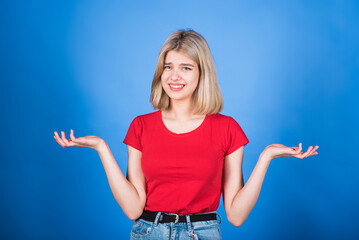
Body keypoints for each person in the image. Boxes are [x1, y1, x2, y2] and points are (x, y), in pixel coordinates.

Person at [54, 29, 319, 240]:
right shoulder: (141, 126)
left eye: (186, 67)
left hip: (203, 233)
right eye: (168, 67)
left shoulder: (228, 129)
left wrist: (266, 156)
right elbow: (134, 208)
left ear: (202, 73)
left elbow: (236, 216)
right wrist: (101, 147)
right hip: (149, 233)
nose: (174, 76)